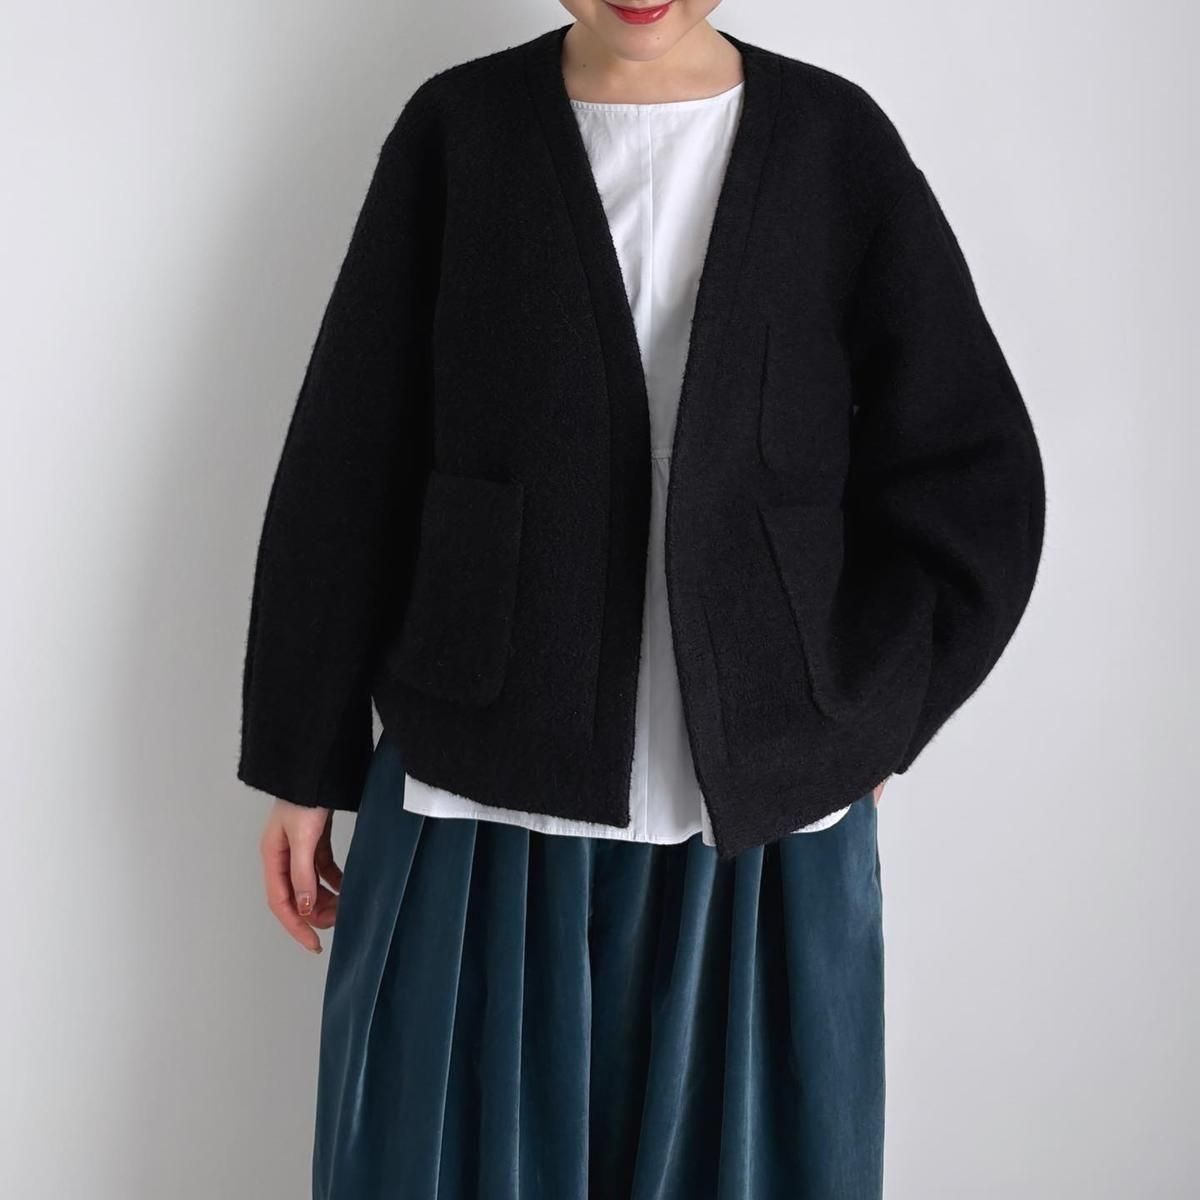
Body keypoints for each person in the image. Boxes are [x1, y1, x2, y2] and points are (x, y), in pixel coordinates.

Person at [237, 4, 1046, 1197]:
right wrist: (304, 759)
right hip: (481, 787)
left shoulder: (836, 144)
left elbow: (971, 466)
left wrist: (880, 711)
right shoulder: (458, 133)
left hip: (762, 814)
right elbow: (352, 451)